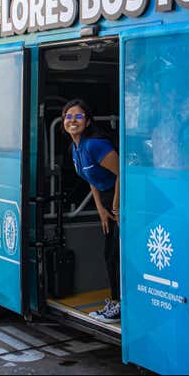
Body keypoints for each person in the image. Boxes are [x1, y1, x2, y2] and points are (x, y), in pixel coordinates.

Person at [62, 99, 121, 323]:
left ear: (87, 122)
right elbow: (91, 179)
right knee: (109, 253)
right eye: (68, 116)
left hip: (122, 196)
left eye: (78, 116)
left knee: (116, 254)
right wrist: (101, 209)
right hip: (107, 201)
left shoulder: (95, 145)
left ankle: (119, 305)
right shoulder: (75, 148)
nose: (72, 120)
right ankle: (116, 301)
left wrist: (115, 206)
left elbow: (122, 173)